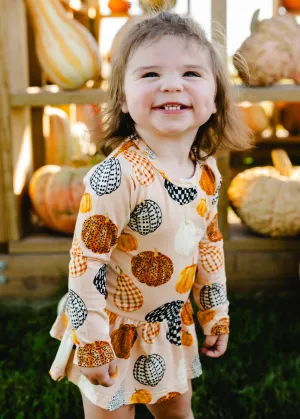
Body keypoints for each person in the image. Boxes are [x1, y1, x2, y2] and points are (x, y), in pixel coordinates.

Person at [49, 11, 251, 419]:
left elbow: (209, 246)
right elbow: (86, 261)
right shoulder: (116, 177)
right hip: (110, 326)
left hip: (167, 329)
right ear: (123, 99)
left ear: (214, 100)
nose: (172, 83)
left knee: (178, 410)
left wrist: (215, 313)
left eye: (191, 73)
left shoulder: (207, 173)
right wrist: (92, 342)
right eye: (150, 74)